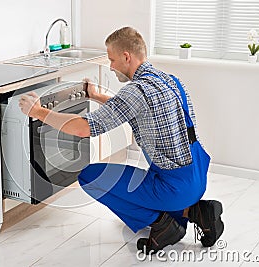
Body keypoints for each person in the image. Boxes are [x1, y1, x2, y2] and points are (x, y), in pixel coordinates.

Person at [19, 26, 224, 254]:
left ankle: (164, 225)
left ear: (127, 56)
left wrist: (38, 112)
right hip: (196, 176)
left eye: (112, 59)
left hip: (174, 187)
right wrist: (96, 96)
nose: (111, 66)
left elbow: (83, 129)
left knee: (90, 176)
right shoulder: (169, 80)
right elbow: (131, 109)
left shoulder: (137, 90)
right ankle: (196, 212)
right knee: (145, 184)